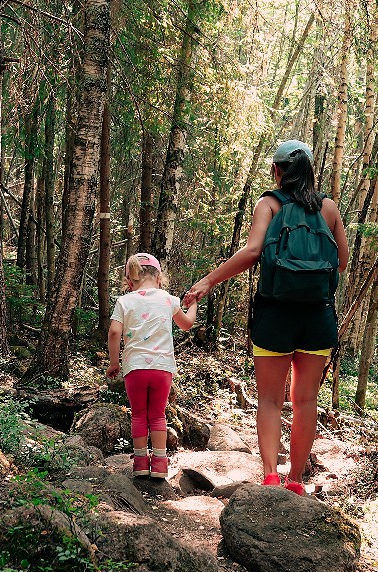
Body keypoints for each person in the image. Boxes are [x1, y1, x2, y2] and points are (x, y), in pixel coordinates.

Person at [184, 140, 348, 495]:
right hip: (317, 317)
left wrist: (208, 281)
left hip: (275, 314)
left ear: (277, 171)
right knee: (306, 401)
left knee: (270, 400)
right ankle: (296, 481)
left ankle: (271, 475)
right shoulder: (329, 208)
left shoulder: (268, 204)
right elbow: (341, 262)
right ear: (310, 171)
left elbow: (254, 250)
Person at [107, 252, 199, 479]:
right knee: (158, 414)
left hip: (135, 368)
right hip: (162, 368)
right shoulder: (168, 299)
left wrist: (114, 362)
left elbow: (114, 332)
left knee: (138, 414)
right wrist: (194, 304)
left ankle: (140, 463)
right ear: (159, 278)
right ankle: (159, 464)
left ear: (129, 282)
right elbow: (186, 324)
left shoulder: (124, 301)